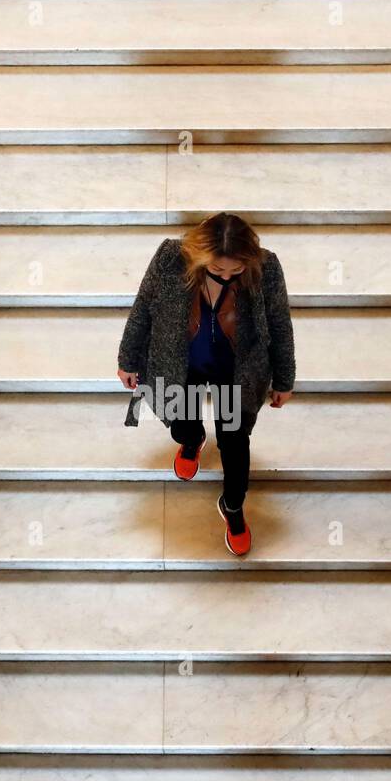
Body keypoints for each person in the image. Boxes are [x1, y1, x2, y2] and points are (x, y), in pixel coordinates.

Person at [117, 212, 296, 556]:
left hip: (235, 372)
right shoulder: (171, 257)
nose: (227, 277)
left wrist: (284, 378)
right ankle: (192, 439)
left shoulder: (267, 267)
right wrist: (128, 358)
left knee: (234, 442)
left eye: (235, 271)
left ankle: (232, 506)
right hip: (182, 365)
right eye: (218, 270)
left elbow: (279, 324)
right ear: (200, 257)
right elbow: (143, 307)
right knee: (182, 424)